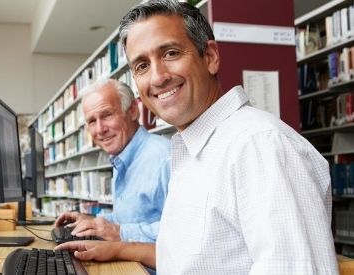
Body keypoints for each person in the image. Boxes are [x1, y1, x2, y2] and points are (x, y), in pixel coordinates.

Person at [56, 0, 339, 274]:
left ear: (210, 57)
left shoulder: (259, 145)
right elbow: (185, 260)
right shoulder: (194, 149)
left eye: (170, 53)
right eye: (141, 65)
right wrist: (117, 249)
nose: (157, 78)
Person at [54, 78, 171, 243]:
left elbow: (186, 229)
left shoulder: (164, 158)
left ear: (132, 111)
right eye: (92, 121)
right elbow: (129, 217)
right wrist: (90, 220)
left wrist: (121, 233)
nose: (100, 130)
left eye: (107, 115)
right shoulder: (121, 157)